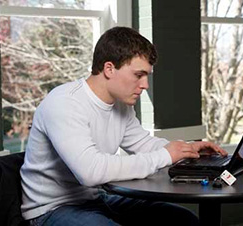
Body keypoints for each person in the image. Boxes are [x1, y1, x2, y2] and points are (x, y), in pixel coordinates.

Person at [20, 26, 227, 226]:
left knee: (183, 220)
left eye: (147, 76)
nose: (145, 85)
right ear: (109, 68)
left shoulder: (121, 105)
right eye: (139, 75)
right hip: (52, 210)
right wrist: (165, 155)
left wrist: (187, 149)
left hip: (96, 200)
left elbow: (143, 144)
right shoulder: (64, 102)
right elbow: (89, 171)